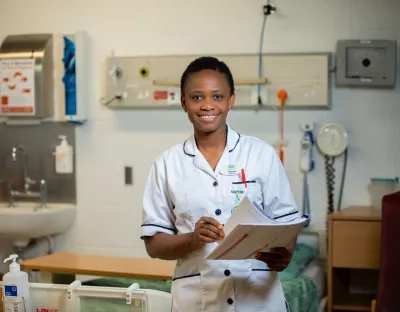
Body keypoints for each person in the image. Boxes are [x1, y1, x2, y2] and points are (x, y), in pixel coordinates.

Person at [140, 56, 300, 312]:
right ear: (183, 102)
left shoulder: (261, 154)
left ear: (231, 101)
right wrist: (193, 239)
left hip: (257, 298)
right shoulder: (167, 164)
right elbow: (154, 243)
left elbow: (286, 224)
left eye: (217, 96)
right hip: (198, 300)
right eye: (196, 97)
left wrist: (283, 256)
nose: (207, 105)